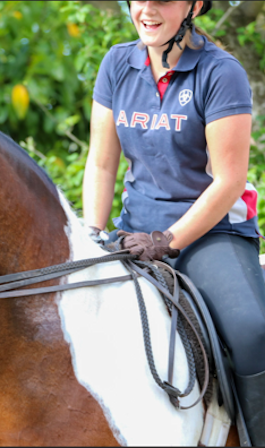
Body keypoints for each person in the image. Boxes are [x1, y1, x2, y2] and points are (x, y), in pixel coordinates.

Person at [82, 1, 265, 444]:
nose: (146, 10)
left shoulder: (221, 73)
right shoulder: (116, 64)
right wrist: (91, 234)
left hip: (211, 234)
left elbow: (227, 182)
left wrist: (168, 240)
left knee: (252, 331)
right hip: (132, 232)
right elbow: (102, 164)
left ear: (195, 5)